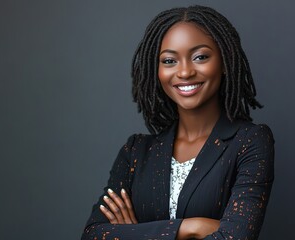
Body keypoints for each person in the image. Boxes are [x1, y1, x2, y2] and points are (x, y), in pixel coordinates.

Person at [81, 5, 274, 240]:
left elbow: (235, 237)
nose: (184, 72)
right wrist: (191, 227)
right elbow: (93, 234)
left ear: (224, 62)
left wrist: (132, 234)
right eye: (169, 60)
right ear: (157, 70)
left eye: (200, 57)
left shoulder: (250, 142)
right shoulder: (136, 152)